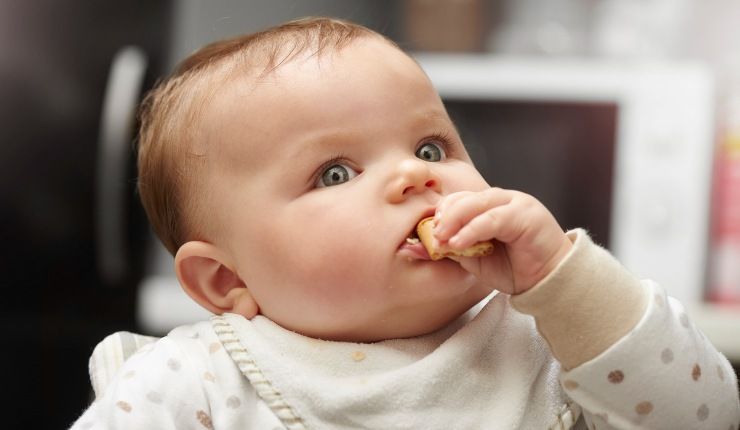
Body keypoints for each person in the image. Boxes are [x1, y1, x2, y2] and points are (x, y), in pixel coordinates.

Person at [71, 17, 740, 429]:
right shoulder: (193, 383)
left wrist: (564, 282)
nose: (415, 176)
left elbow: (703, 417)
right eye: (335, 173)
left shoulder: (548, 342)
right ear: (224, 280)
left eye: (431, 147)